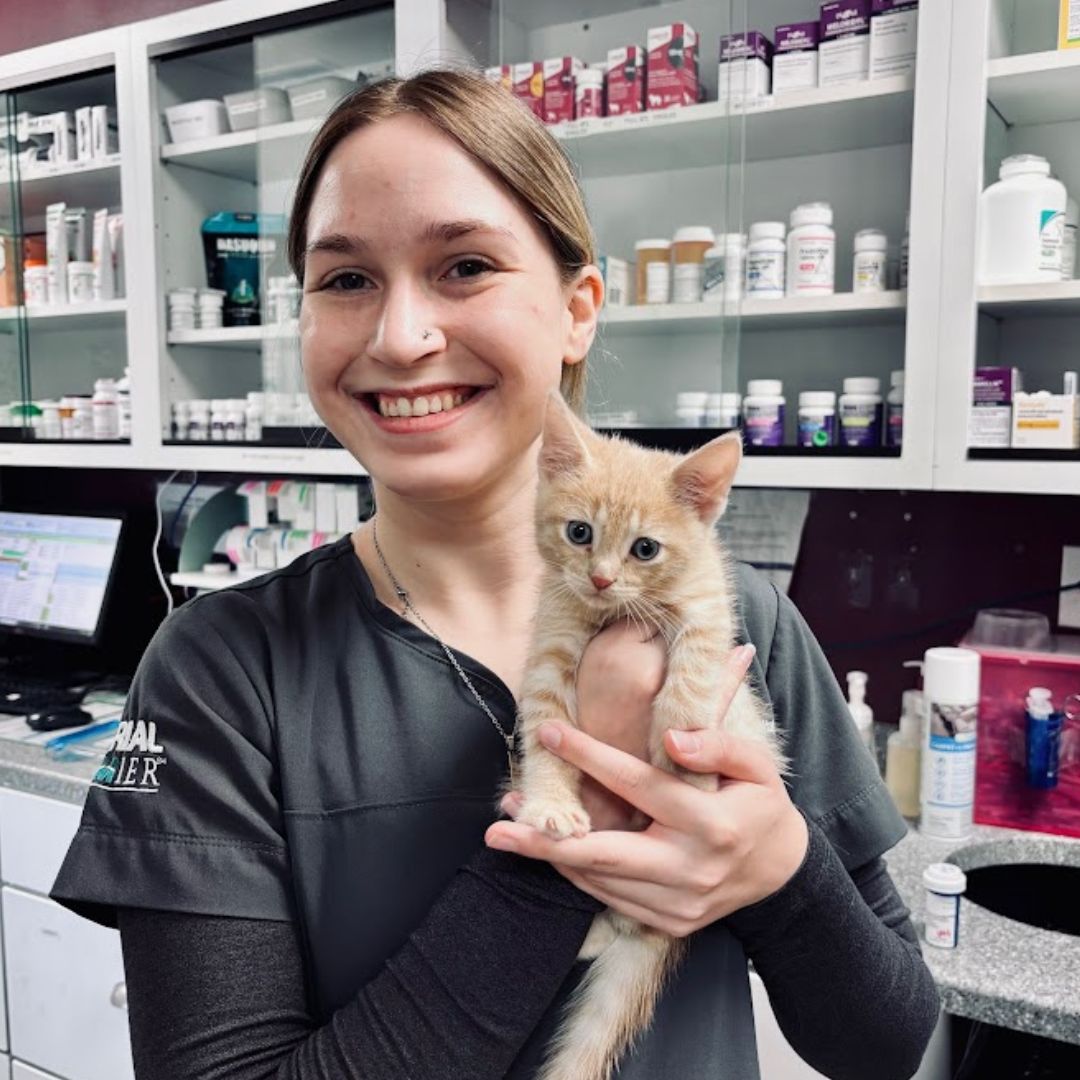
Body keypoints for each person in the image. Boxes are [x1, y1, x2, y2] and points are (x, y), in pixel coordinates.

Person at [51, 68, 939, 1079]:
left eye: (465, 266)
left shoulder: (737, 627)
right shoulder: (219, 670)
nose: (401, 337)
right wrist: (564, 833)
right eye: (345, 280)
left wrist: (787, 873)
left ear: (576, 311)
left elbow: (887, 1042)